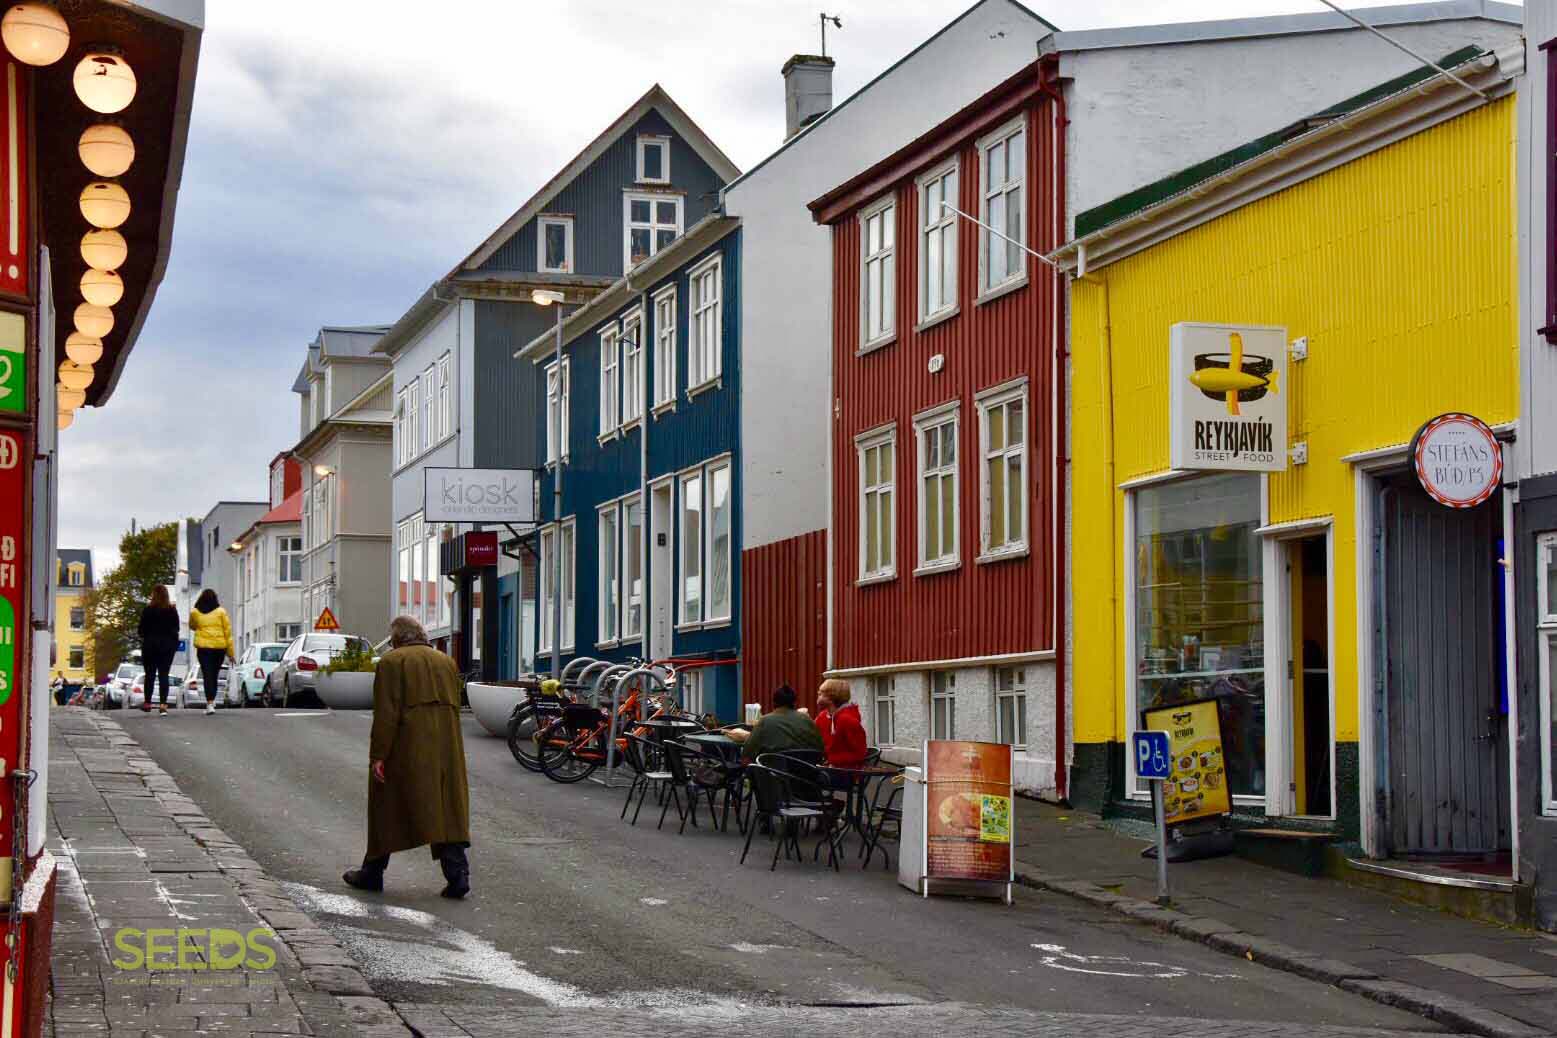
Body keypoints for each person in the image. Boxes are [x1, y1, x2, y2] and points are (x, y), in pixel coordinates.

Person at [343, 615, 470, 899]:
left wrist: (378, 755)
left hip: (407, 745)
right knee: (447, 807)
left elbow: (386, 714)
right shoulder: (446, 662)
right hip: (447, 749)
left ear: (397, 638)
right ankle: (458, 874)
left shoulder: (392, 662)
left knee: (386, 803)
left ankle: (372, 872)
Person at [737, 684, 823, 762]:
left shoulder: (765, 720)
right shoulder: (807, 719)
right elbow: (820, 748)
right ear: (794, 702)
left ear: (774, 702)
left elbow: (748, 751)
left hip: (774, 771)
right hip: (806, 771)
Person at [188, 589, 234, 716]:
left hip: (203, 648)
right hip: (219, 648)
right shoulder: (221, 612)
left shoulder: (195, 612)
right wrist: (230, 653)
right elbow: (228, 633)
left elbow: (192, 626)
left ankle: (210, 702)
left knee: (207, 674)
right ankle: (211, 701)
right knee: (214, 674)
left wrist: (201, 626)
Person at [137, 586, 181, 716]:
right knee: (164, 675)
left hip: (150, 646)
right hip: (167, 647)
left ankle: (148, 703)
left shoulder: (148, 610)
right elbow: (176, 628)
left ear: (154, 595)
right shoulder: (172, 610)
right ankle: (163, 705)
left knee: (149, 675)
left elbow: (141, 630)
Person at [815, 678, 867, 767]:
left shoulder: (848, 720)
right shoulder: (823, 716)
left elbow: (860, 753)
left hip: (844, 771)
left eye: (821, 693)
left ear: (831, 697)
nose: (818, 694)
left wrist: (832, 761)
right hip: (825, 767)